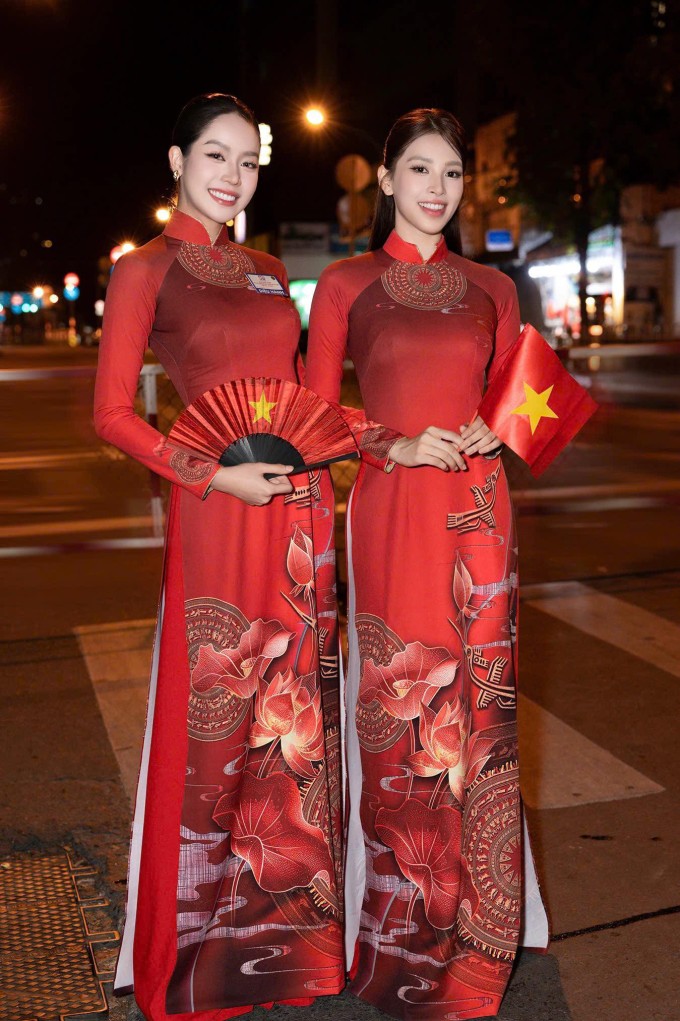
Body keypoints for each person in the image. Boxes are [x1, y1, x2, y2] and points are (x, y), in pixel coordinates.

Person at [94, 93, 397, 1021]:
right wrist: (211, 475)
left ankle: (284, 952)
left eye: (248, 161)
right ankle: (192, 963)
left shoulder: (267, 271)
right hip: (217, 512)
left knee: (290, 727)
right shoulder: (145, 269)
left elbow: (304, 398)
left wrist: (397, 435)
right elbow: (111, 414)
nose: (233, 176)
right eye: (215, 156)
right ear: (177, 160)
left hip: (297, 510)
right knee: (216, 730)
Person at [306, 108, 549, 1021]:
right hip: (393, 507)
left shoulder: (494, 285)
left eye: (452, 172)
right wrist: (393, 442)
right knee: (401, 712)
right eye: (421, 170)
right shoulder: (346, 283)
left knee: (480, 714)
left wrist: (500, 425)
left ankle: (483, 933)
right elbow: (311, 410)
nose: (439, 188)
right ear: (386, 179)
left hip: (481, 511)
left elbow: (527, 395)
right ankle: (403, 927)